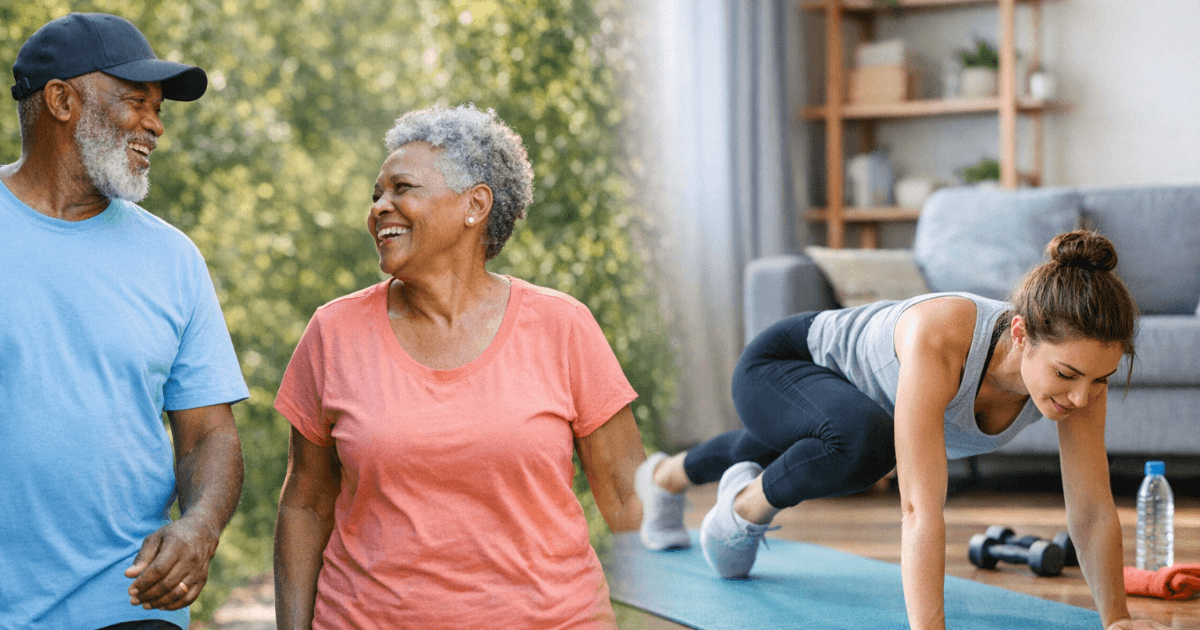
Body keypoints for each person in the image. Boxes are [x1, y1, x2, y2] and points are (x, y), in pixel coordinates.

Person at [637, 230, 1178, 630]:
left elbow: (1089, 506)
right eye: (1067, 375)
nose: (1082, 397)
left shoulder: (1080, 383)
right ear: (1021, 333)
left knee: (809, 440)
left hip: (838, 412)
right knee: (860, 441)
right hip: (782, 365)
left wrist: (1117, 620)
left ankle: (663, 475)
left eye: (1099, 380)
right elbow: (920, 507)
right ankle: (741, 507)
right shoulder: (941, 339)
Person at [273, 104, 647, 629]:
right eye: (376, 195)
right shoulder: (333, 333)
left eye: (402, 188)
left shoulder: (563, 326)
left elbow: (630, 500)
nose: (381, 207)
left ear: (475, 205)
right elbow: (305, 506)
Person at [0, 12, 248, 630]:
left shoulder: (174, 260)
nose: (156, 125)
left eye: (159, 108)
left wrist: (199, 527)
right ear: (61, 99)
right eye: (136, 102)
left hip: (128, 601)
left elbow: (209, 437)